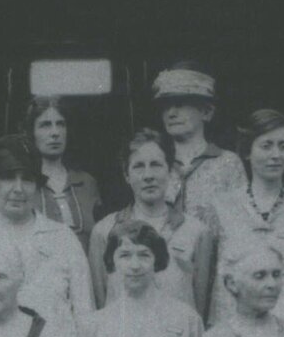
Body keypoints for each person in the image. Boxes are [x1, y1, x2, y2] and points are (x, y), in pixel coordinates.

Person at [201, 109, 284, 337]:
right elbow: (206, 278)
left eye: (282, 146)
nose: (276, 154)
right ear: (247, 151)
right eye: (266, 146)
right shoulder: (222, 207)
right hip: (234, 326)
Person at [0, 136, 95, 337]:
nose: (18, 189)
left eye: (27, 179)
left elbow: (85, 313)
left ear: (37, 186)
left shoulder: (63, 238)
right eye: (9, 178)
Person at [88, 129, 217, 318]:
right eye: (139, 166)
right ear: (126, 175)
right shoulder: (104, 231)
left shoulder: (196, 232)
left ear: (170, 170)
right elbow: (101, 306)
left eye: (156, 165)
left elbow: (198, 309)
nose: (148, 175)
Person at [151, 64, 245, 219]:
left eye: (180, 105)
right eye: (166, 106)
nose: (171, 113)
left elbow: (240, 224)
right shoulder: (155, 162)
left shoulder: (228, 163)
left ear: (206, 112)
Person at [28, 97, 102, 253]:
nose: (55, 133)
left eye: (60, 124)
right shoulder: (24, 184)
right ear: (32, 133)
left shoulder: (87, 183)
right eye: (45, 125)